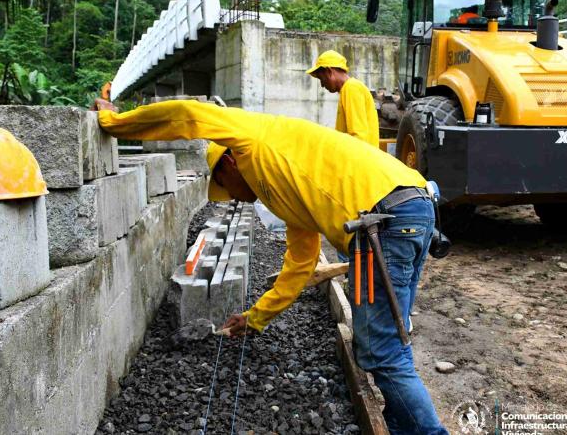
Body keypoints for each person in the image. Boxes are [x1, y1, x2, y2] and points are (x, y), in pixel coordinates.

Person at [92, 98, 448, 434]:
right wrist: (256, 318)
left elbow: (188, 115)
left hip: (384, 222)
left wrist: (114, 123)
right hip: (412, 206)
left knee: (382, 354)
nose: (232, 197)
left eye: (224, 187)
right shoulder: (287, 184)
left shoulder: (252, 139)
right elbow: (300, 265)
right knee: (390, 343)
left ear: (228, 164)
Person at [307, 50, 379, 147]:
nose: (322, 85)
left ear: (329, 71)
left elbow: (358, 136)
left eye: (321, 79)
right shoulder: (348, 89)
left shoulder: (351, 88)